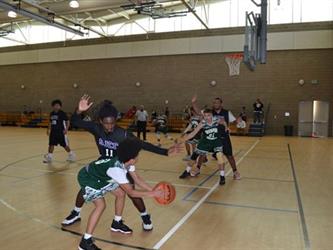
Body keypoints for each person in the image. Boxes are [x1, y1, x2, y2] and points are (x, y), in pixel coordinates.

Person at [62, 95, 181, 231]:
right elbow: (76, 121)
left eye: (112, 123)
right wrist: (79, 110)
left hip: (121, 165)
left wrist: (165, 152)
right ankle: (76, 212)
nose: (110, 126)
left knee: (131, 191)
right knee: (88, 186)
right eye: (106, 123)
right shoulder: (96, 128)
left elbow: (142, 144)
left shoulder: (122, 134)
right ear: (100, 121)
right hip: (105, 163)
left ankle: (144, 216)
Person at [77, 138, 166, 250]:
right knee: (100, 205)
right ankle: (85, 241)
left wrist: (154, 190)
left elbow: (137, 180)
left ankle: (117, 223)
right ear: (132, 158)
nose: (138, 156)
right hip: (89, 178)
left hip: (102, 177)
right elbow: (132, 193)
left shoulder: (127, 162)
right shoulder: (117, 169)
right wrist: (153, 194)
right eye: (137, 154)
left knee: (120, 193)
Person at [192, 96, 241, 180]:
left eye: (217, 102)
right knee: (202, 153)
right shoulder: (209, 112)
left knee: (229, 155)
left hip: (223, 137)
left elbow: (234, 120)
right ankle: (197, 169)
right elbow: (199, 112)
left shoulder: (227, 113)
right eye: (214, 102)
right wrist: (194, 103)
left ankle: (235, 171)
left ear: (221, 104)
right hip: (210, 138)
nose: (215, 104)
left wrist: (238, 120)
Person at [179, 109, 228, 185]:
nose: (207, 117)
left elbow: (224, 122)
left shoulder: (217, 120)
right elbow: (193, 133)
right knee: (194, 156)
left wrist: (226, 127)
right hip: (205, 142)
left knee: (220, 157)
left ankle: (222, 177)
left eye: (208, 115)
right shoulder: (202, 123)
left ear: (212, 115)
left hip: (216, 142)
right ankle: (187, 171)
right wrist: (183, 139)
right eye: (205, 116)